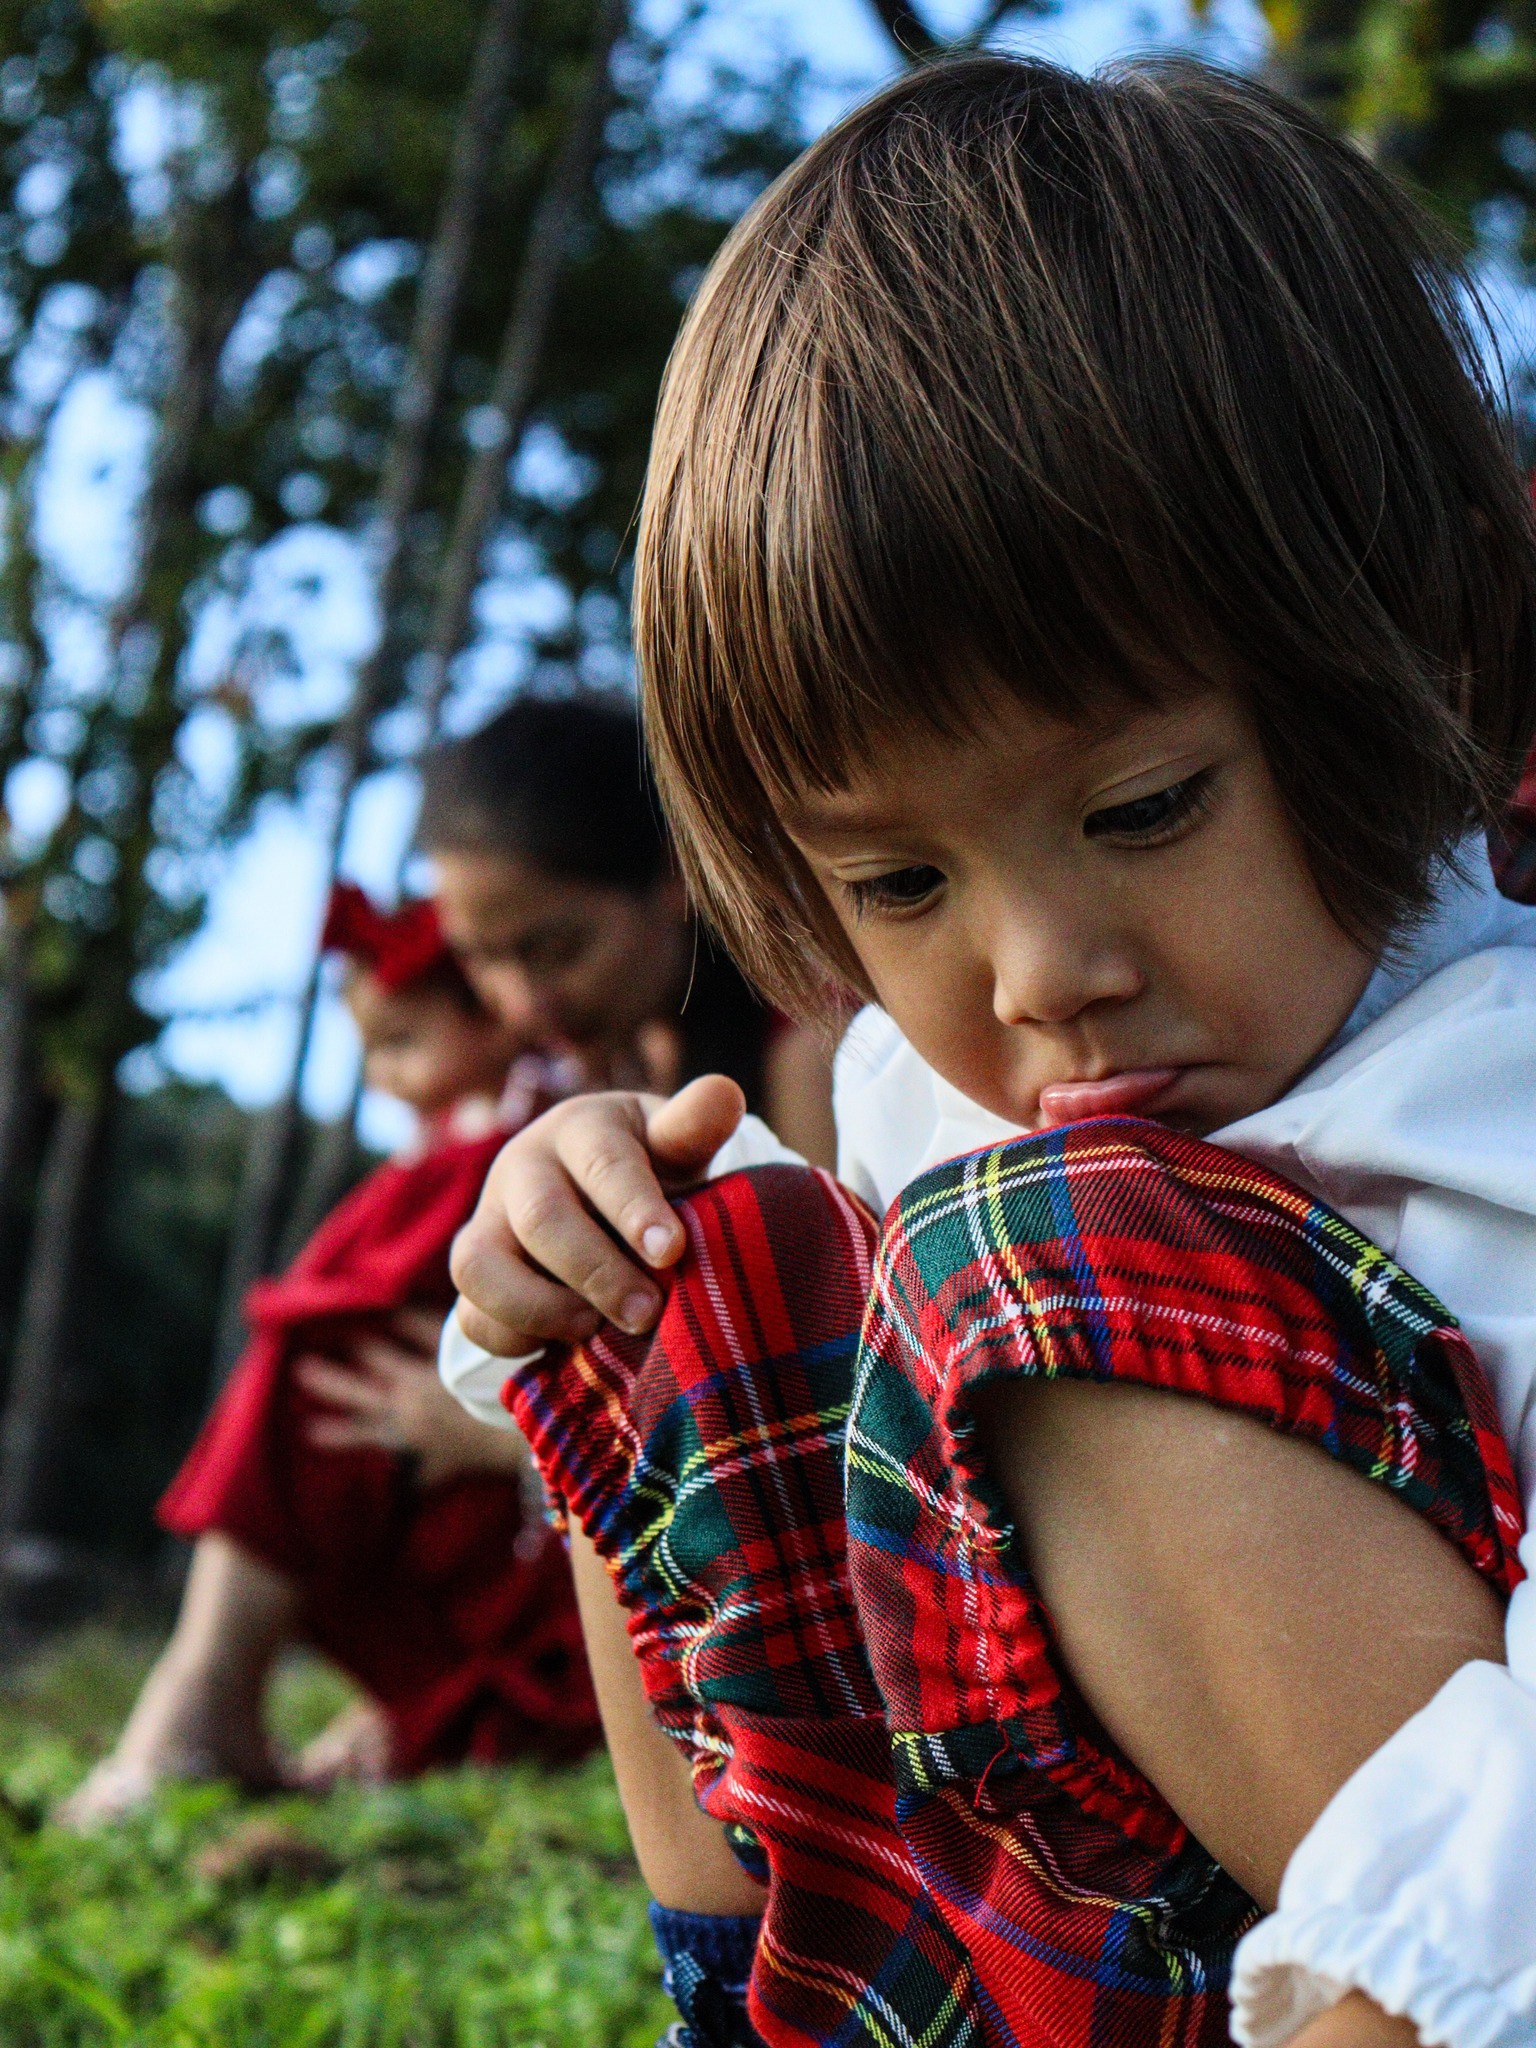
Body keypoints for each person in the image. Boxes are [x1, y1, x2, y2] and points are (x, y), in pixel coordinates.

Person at [440, 56, 1536, 2048]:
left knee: (1030, 1262)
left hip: (1437, 1941)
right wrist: (569, 1226)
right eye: (899, 881)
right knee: (696, 1260)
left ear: (1428, 647)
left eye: (1140, 811)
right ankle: (759, 2005)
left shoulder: (1498, 1091)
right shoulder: (935, 1095)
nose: (1042, 975)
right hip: (1065, 1940)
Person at [60, 885, 598, 1828]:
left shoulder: (514, 1144)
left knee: (322, 1352)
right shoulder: (461, 1144)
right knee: (332, 1367)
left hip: (550, 1514)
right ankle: (210, 1688)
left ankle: (205, 1691)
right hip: (496, 1486)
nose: (384, 1079)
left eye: (401, 1044)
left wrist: (495, 1436)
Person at [417, 694, 841, 1175]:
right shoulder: (527, 1091)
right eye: (479, 959)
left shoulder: (811, 1051)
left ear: (676, 874)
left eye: (560, 951)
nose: (522, 1004)